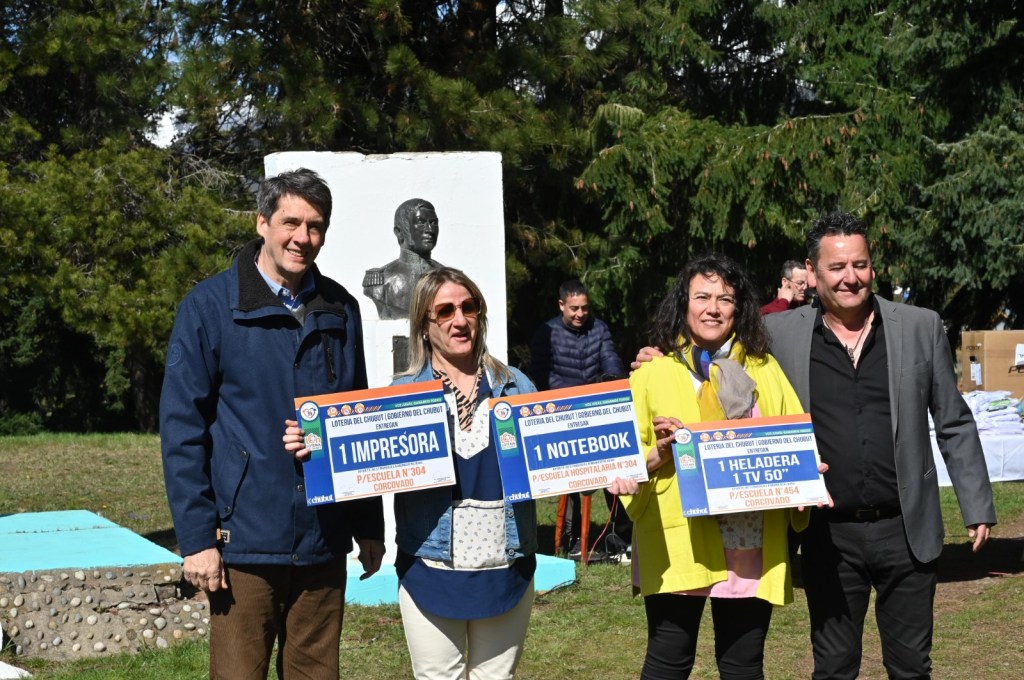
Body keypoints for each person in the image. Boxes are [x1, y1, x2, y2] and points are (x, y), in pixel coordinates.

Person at [633, 213, 997, 679]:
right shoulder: (782, 334)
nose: (850, 277)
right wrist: (662, 355)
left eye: (859, 264)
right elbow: (712, 345)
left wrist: (977, 505)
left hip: (905, 525)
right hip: (828, 534)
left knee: (911, 665)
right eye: (837, 267)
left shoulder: (919, 326)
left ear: (872, 266)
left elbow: (953, 420)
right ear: (812, 271)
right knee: (832, 666)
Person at [160, 168, 386, 680]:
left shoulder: (341, 309)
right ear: (262, 222)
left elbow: (359, 419)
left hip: (323, 538)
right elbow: (181, 430)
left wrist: (367, 524)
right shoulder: (209, 308)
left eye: (315, 226)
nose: (303, 238)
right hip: (243, 542)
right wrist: (197, 539)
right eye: (291, 223)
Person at [288, 267, 538, 680]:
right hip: (429, 569)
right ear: (424, 324)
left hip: (506, 567)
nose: (460, 320)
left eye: (469, 307)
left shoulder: (518, 387)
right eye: (446, 311)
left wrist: (607, 473)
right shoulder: (401, 398)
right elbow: (355, 460)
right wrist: (312, 445)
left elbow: (556, 461)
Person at [609, 254, 811, 680]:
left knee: (743, 666)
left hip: (748, 540)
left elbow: (795, 441)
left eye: (725, 299)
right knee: (668, 661)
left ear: (739, 309)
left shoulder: (765, 369)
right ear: (684, 304)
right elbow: (625, 458)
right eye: (702, 297)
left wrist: (806, 479)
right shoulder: (652, 371)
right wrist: (658, 454)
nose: (713, 308)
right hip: (678, 538)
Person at [530, 279, 628, 557]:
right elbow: (543, 374)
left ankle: (620, 535)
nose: (580, 314)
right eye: (574, 308)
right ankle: (572, 538)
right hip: (563, 414)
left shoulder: (599, 328)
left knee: (615, 469)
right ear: (561, 305)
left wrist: (612, 380)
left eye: (584, 308)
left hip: (597, 410)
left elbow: (610, 357)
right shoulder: (546, 333)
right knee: (572, 479)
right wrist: (575, 398)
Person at [362, 198, 442, 319]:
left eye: (433, 223)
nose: (429, 230)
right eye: (421, 222)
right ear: (399, 232)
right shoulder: (382, 279)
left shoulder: (449, 277)